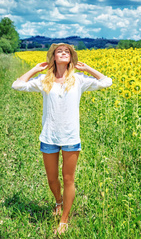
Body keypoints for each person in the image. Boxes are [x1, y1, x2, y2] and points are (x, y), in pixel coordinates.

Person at [12, 43, 112, 235]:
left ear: (71, 58)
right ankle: (58, 201)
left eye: (67, 51)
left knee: (68, 179)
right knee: (52, 179)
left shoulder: (79, 79)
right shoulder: (43, 80)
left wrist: (87, 68)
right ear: (54, 58)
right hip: (49, 136)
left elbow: (107, 81)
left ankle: (64, 220)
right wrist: (34, 69)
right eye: (60, 51)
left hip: (70, 137)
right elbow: (17, 85)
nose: (63, 53)